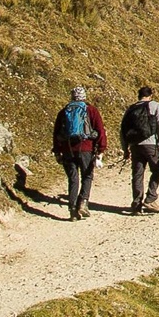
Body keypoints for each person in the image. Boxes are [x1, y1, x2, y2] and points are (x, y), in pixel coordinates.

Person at [52, 85, 107, 220]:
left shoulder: (64, 111)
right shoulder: (91, 111)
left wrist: (57, 151)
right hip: (86, 148)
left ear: (72, 97)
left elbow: (57, 133)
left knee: (73, 179)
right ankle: (83, 202)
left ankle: (72, 210)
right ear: (84, 96)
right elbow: (100, 130)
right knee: (87, 176)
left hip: (68, 149)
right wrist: (101, 149)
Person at [121, 85, 159, 213]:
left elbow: (123, 129)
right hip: (151, 144)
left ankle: (136, 205)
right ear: (150, 95)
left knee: (137, 174)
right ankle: (151, 198)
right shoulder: (156, 106)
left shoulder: (131, 109)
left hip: (135, 145)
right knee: (157, 170)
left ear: (139, 96)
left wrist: (125, 148)